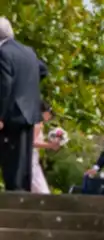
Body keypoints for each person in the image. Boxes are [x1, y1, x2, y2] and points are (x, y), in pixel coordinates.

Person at [0, 17, 48, 193]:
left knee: (11, 166)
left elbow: (4, 86)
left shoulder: (3, 53)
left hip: (11, 115)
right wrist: (26, 91)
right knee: (22, 166)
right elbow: (43, 70)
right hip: (29, 113)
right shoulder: (28, 51)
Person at [30, 104, 61, 194]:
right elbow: (33, 142)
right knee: (42, 191)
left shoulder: (39, 123)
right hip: (31, 159)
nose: (50, 117)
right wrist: (50, 145)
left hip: (35, 159)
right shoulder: (37, 123)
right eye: (50, 114)